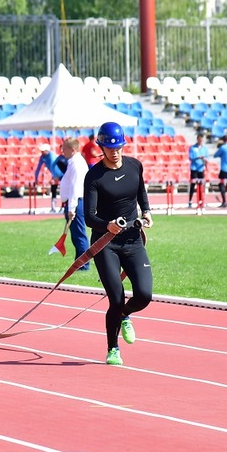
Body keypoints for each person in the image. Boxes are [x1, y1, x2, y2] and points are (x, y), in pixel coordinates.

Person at [83, 122, 153, 367]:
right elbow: (89, 216)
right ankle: (113, 348)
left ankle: (125, 315)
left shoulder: (135, 165)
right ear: (101, 147)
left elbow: (141, 191)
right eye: (109, 148)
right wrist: (107, 225)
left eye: (118, 147)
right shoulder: (94, 176)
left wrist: (146, 211)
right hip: (106, 244)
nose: (114, 152)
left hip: (133, 240)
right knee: (116, 298)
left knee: (144, 295)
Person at [58, 137, 90, 269]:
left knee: (79, 234)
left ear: (72, 149)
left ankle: (83, 264)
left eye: (64, 148)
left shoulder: (76, 164)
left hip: (77, 202)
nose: (62, 151)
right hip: (75, 202)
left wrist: (72, 208)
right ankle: (80, 262)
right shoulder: (74, 162)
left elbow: (75, 188)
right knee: (76, 235)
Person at [34, 143, 64, 213]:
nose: (41, 152)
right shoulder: (42, 157)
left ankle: (63, 207)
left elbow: (54, 167)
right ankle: (53, 208)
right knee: (53, 190)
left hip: (61, 174)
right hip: (54, 175)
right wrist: (36, 178)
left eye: (43, 151)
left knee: (63, 191)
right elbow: (38, 167)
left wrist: (55, 177)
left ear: (47, 150)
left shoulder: (51, 156)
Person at [187, 133, 209, 208]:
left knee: (201, 185)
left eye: (202, 140)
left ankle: (200, 200)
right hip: (194, 168)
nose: (200, 141)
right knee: (193, 185)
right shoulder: (193, 148)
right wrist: (198, 157)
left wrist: (205, 160)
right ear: (197, 139)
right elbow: (190, 157)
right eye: (199, 140)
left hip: (201, 168)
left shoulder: (204, 149)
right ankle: (190, 201)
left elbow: (207, 158)